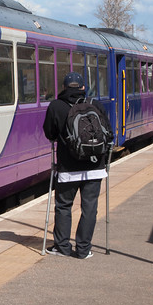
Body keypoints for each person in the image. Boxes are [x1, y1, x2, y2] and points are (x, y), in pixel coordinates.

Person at [42, 72, 112, 259]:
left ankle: (62, 247)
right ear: (83, 87)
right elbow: (109, 133)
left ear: (64, 87)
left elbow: (49, 133)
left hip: (68, 169)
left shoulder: (56, 106)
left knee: (64, 206)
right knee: (89, 208)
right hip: (95, 168)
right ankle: (83, 249)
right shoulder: (95, 104)